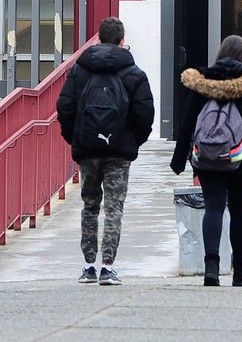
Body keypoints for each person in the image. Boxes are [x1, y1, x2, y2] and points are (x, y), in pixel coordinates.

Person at [170, 35, 242, 287]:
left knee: (213, 207)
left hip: (209, 158)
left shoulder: (203, 82)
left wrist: (179, 160)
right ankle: (240, 270)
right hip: (241, 158)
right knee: (238, 213)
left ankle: (211, 267)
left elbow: (188, 124)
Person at [56, 16, 154, 286]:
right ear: (122, 41)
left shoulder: (80, 70)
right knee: (114, 207)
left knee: (90, 206)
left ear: (98, 39)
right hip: (119, 153)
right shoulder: (134, 74)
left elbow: (64, 108)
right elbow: (145, 114)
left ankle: (88, 266)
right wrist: (132, 142)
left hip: (88, 150)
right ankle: (107, 267)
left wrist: (75, 138)